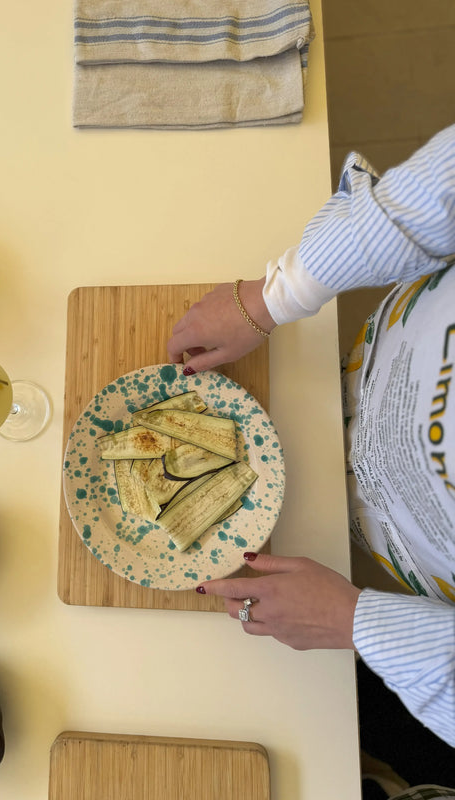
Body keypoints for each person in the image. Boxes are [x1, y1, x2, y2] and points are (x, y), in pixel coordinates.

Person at [166, 125, 455, 764]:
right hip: (371, 368)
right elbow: (443, 188)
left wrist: (355, 622)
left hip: (384, 542)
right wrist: (279, 293)